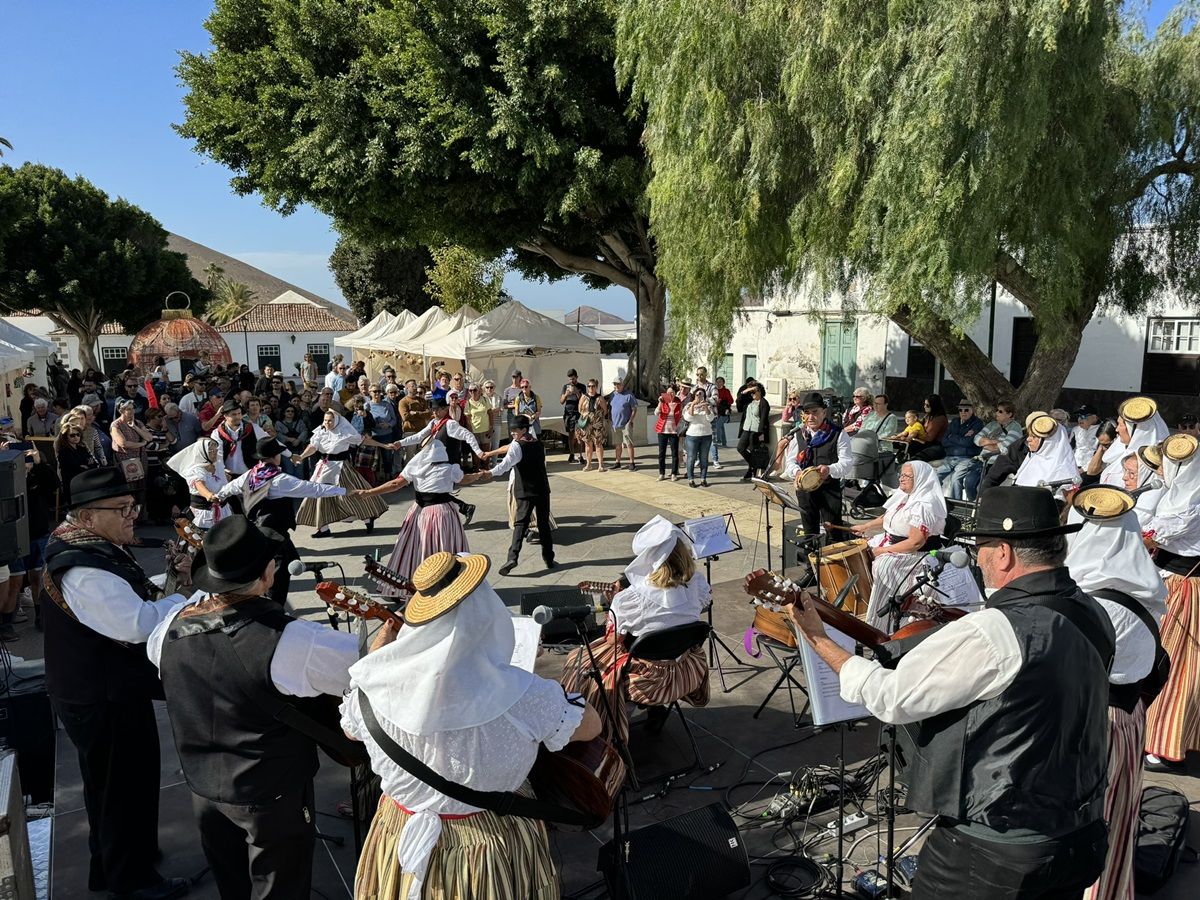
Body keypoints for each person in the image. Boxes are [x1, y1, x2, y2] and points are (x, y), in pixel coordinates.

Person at [788, 486, 1114, 900]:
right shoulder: (1093, 611)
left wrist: (818, 639)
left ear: (1004, 554)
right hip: (1079, 834)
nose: (978, 558)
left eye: (981, 547)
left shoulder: (993, 630)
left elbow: (890, 698)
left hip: (995, 850)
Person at [341, 552, 601, 900]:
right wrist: (531, 683)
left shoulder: (369, 687)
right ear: (487, 614)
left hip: (398, 829)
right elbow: (592, 726)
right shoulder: (524, 696)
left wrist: (379, 659)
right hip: (487, 842)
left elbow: (351, 731)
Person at [150, 516, 361, 900]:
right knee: (281, 886)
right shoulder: (292, 640)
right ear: (267, 574)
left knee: (231, 882)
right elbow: (366, 669)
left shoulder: (166, 630)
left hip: (203, 785)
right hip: (270, 791)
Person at [41, 469, 191, 900]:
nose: (133, 516)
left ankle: (113, 865)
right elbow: (136, 623)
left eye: (133, 507)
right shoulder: (83, 567)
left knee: (111, 787)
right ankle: (133, 882)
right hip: (101, 694)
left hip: (100, 688)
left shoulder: (84, 544)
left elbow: (128, 596)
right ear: (87, 517)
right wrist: (187, 598)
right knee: (123, 786)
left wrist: (169, 583)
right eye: (121, 509)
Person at [1065, 488, 1169, 900]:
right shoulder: (1141, 588)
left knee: (1088, 823)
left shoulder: (1095, 604)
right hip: (1128, 718)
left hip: (1095, 726)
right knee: (1117, 815)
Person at [560, 516, 710, 746]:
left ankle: (604, 728)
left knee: (579, 660)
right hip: (686, 670)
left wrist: (614, 608)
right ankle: (655, 709)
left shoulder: (631, 599)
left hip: (648, 679)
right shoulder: (697, 585)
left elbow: (613, 640)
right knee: (658, 645)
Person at [215, 438, 351, 605]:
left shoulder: (250, 475)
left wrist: (216, 497)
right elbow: (313, 489)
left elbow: (228, 489)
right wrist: (345, 491)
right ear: (276, 456)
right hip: (272, 533)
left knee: (292, 561)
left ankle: (271, 594)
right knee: (279, 571)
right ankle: (274, 608)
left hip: (262, 529)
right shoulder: (279, 480)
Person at [851, 461, 983, 630]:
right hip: (895, 543)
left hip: (918, 554)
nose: (901, 479)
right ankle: (868, 608)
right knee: (860, 550)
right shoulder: (905, 496)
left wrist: (882, 551)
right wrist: (864, 527)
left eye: (907, 476)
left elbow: (916, 542)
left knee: (885, 566)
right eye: (901, 474)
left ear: (920, 478)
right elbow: (888, 517)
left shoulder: (924, 504)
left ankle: (886, 624)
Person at [360, 439, 486, 597]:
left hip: (420, 512)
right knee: (445, 547)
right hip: (443, 513)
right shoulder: (449, 468)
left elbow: (395, 484)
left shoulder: (416, 467)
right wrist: (478, 475)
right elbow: (465, 479)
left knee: (414, 548)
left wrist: (369, 493)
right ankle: (448, 586)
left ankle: (409, 586)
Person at [1141, 433, 1200, 771]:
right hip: (1165, 581)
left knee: (1176, 665)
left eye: (1166, 462)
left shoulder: (1189, 502)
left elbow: (1155, 534)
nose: (1160, 468)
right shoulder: (1173, 494)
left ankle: (1167, 743)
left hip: (1184, 587)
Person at [295, 411, 389, 537]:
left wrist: (383, 445)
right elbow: (313, 447)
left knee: (348, 495)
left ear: (336, 421)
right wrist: (301, 457)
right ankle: (323, 529)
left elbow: (364, 441)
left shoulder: (345, 432)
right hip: (323, 466)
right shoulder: (320, 432)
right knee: (318, 495)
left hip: (340, 467)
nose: (327, 423)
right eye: (325, 420)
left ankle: (368, 518)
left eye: (330, 420)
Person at [783, 393, 853, 561]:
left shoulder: (838, 433)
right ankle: (811, 570)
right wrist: (796, 472)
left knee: (833, 530)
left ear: (824, 412)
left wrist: (829, 469)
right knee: (809, 532)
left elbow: (847, 463)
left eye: (815, 412)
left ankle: (833, 571)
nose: (811, 416)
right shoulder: (799, 433)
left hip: (830, 490)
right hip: (805, 492)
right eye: (807, 413)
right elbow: (790, 462)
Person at [482, 415, 554, 575]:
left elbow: (505, 465)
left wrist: (490, 473)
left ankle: (512, 558)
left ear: (523, 430)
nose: (512, 432)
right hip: (542, 489)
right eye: (511, 429)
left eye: (515, 430)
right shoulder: (538, 443)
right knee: (543, 525)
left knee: (520, 525)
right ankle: (549, 558)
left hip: (525, 491)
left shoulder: (517, 446)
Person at [1, 445, 57, 640]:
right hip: (12, 536)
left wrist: (39, 464)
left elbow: (54, 484)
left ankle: (40, 614)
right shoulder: (6, 476)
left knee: (38, 577)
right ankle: (7, 622)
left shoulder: (37, 475)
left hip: (38, 533)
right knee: (14, 580)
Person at [945, 400, 1019, 501]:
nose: (997, 413)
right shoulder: (992, 425)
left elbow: (1005, 448)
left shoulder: (1015, 427)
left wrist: (985, 444)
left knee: (982, 486)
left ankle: (981, 508)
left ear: (1009, 414)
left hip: (998, 462)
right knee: (969, 482)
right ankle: (972, 506)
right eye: (997, 410)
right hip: (982, 460)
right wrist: (993, 442)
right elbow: (976, 439)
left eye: (1000, 411)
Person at [1092, 397, 1169, 486]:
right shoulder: (1121, 452)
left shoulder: (1151, 464)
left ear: (1133, 430)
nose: (1117, 429)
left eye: (1120, 425)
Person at [167, 437, 230, 530]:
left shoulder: (218, 465)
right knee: (205, 541)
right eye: (211, 450)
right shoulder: (196, 470)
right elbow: (199, 485)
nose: (215, 451)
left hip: (224, 510)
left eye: (215, 448)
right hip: (205, 514)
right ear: (202, 452)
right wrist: (209, 495)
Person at [1014, 413, 1080, 496]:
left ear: (1048, 442)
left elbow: (1070, 503)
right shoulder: (1032, 459)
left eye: (1033, 436)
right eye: (1029, 435)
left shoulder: (1064, 470)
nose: (1028, 439)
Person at [112, 398, 155, 505]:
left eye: (132, 409)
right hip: (126, 461)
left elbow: (149, 437)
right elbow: (123, 443)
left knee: (141, 490)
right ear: (121, 410)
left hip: (140, 460)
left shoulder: (138, 423)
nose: (131, 412)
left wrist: (135, 427)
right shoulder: (115, 425)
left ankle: (141, 517)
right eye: (128, 409)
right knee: (129, 492)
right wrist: (141, 444)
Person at [212, 400, 269, 479]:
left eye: (239, 413)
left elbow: (269, 441)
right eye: (234, 414)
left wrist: (290, 455)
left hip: (249, 474)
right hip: (228, 476)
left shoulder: (252, 428)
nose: (238, 417)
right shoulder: (218, 433)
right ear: (225, 416)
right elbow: (217, 456)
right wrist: (221, 472)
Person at [935, 400, 984, 487]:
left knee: (955, 480)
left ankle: (955, 500)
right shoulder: (955, 421)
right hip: (950, 458)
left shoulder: (977, 423)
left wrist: (952, 437)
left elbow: (968, 442)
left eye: (966, 410)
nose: (963, 412)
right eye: (960, 410)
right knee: (935, 476)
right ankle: (937, 499)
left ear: (972, 410)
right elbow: (944, 441)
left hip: (966, 458)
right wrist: (962, 439)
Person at [56, 421, 98, 509]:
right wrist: (85, 466)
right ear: (65, 437)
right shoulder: (63, 452)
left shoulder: (82, 448)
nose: (76, 437)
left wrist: (85, 467)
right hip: (73, 486)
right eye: (72, 435)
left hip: (86, 483)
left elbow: (94, 463)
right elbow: (73, 469)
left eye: (78, 434)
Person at [737, 381, 771, 481]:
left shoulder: (763, 403)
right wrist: (746, 391)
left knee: (754, 451)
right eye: (751, 392)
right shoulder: (749, 401)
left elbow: (764, 419)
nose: (752, 394)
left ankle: (752, 470)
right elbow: (739, 401)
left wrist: (761, 434)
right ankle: (752, 466)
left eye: (754, 392)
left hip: (756, 431)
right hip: (746, 428)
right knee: (740, 448)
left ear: (760, 391)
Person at [574, 378, 609, 472]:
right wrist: (586, 417)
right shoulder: (584, 397)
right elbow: (580, 409)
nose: (591, 388)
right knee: (588, 444)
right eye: (589, 386)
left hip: (597, 425)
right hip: (586, 425)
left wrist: (597, 419)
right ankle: (588, 464)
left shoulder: (600, 398)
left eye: (593, 386)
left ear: (596, 387)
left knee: (598, 444)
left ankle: (600, 465)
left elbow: (605, 411)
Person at [683, 387, 715, 487]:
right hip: (692, 436)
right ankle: (691, 479)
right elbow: (688, 418)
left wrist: (705, 408)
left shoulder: (708, 406)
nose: (699, 396)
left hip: (706, 435)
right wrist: (693, 404)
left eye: (701, 394)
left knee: (704, 458)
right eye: (697, 394)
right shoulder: (689, 405)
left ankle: (703, 478)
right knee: (691, 458)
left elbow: (711, 418)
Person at [608, 376, 638, 470]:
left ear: (622, 385)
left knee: (629, 444)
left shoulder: (629, 395)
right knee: (617, 444)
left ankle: (632, 462)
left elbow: (634, 409)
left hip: (626, 424)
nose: (616, 386)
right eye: (615, 384)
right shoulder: (612, 395)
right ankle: (617, 462)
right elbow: (610, 407)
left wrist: (630, 421)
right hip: (615, 424)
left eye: (618, 384)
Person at [654, 387, 683, 481]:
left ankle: (674, 473)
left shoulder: (678, 403)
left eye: (672, 393)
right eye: (668, 393)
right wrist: (660, 403)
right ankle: (661, 473)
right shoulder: (663, 402)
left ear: (675, 393)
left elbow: (681, 415)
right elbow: (656, 413)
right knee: (661, 453)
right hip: (663, 430)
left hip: (673, 431)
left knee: (675, 453)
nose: (670, 395)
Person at [910, 394, 949, 462]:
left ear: (934, 406)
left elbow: (929, 437)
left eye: (927, 405)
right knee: (904, 446)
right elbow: (919, 425)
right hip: (926, 443)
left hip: (936, 446)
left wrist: (915, 434)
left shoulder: (939, 418)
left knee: (916, 456)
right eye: (925, 404)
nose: (924, 407)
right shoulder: (928, 415)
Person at [711, 375, 734, 469]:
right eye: (717, 381)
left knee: (719, 425)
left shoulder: (726, 391)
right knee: (720, 426)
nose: (719, 383)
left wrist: (723, 402)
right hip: (716, 412)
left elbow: (731, 401)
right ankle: (723, 441)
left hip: (724, 412)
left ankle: (720, 440)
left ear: (723, 383)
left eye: (720, 381)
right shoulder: (714, 390)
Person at [561, 369, 582, 462]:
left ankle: (580, 455)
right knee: (570, 435)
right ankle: (572, 454)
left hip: (578, 413)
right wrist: (566, 394)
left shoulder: (581, 386)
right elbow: (561, 401)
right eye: (570, 379)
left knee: (579, 435)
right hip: (568, 413)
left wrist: (577, 392)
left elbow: (583, 400)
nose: (571, 381)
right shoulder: (565, 387)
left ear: (577, 377)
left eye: (573, 379)